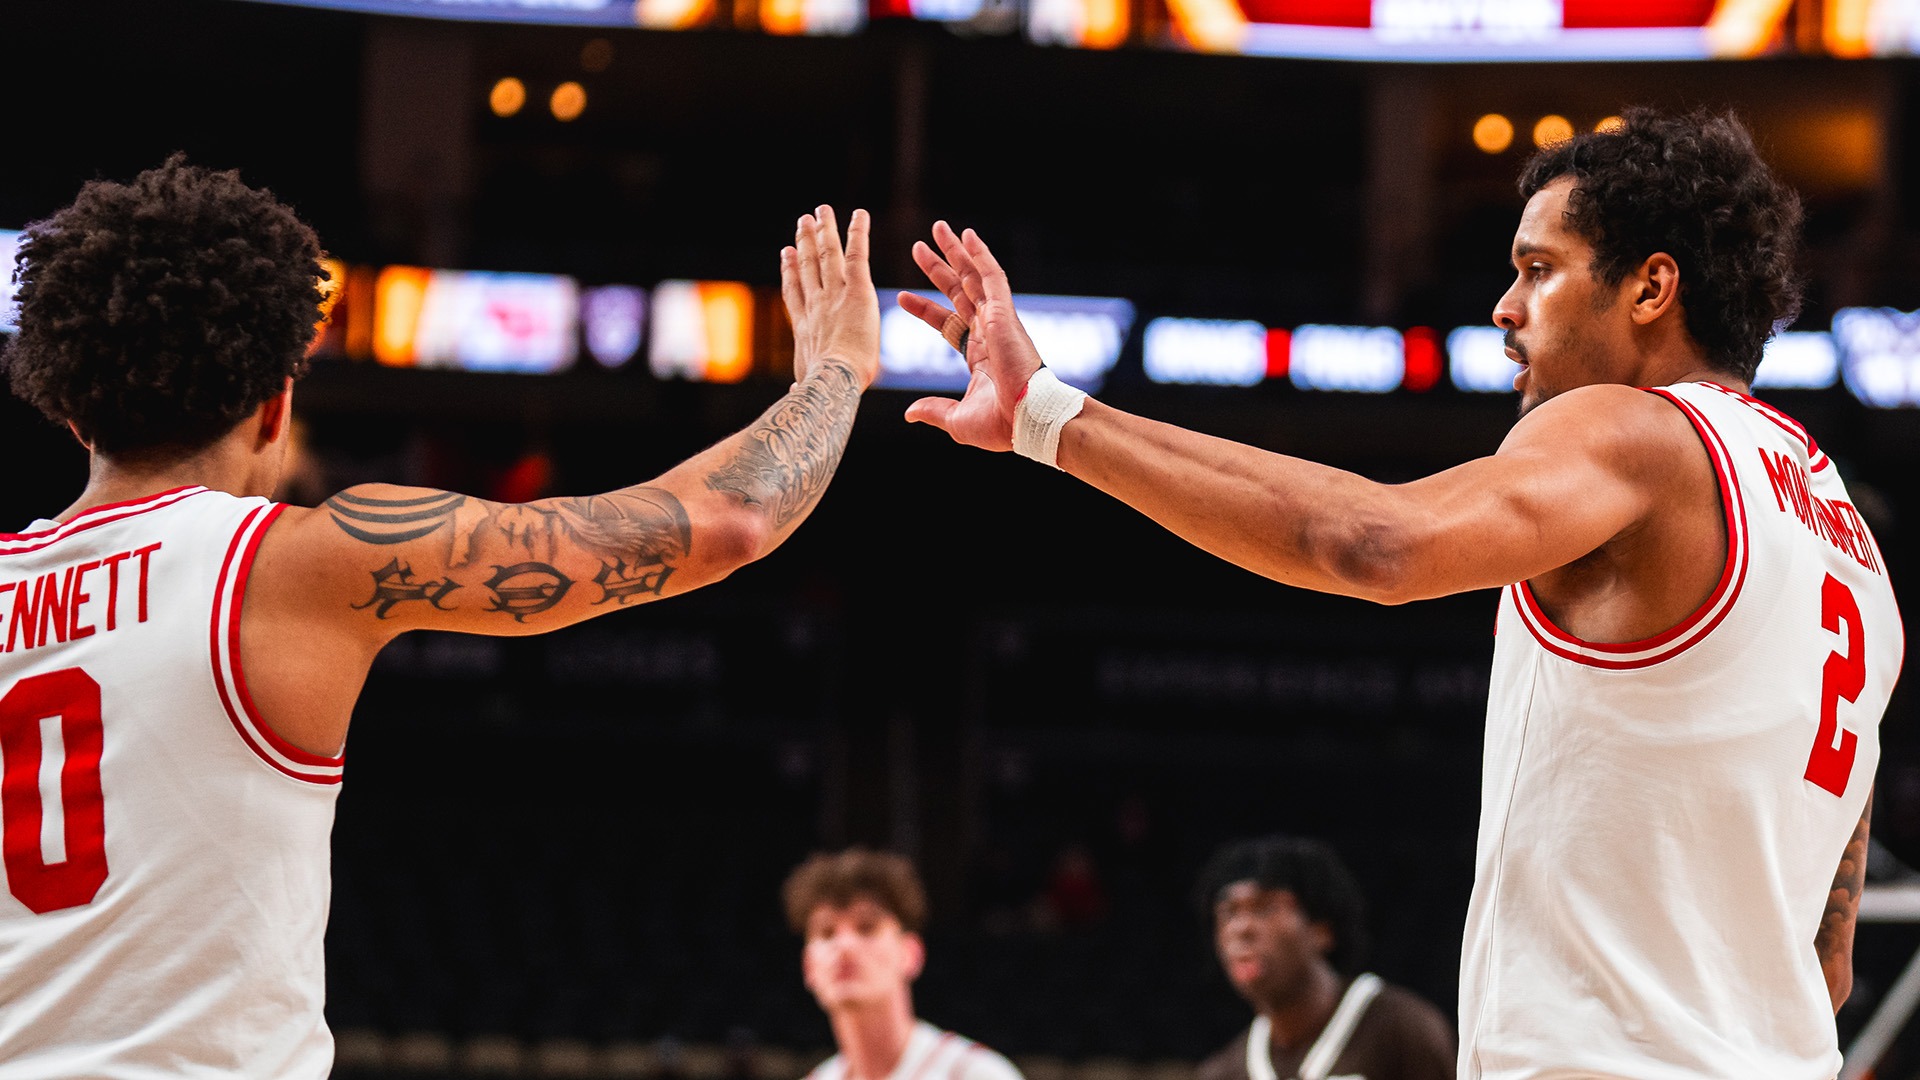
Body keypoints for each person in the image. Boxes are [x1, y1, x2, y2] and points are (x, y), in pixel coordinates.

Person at [898, 108, 1899, 1079]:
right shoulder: (1848, 542)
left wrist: (1048, 416)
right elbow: (1830, 954)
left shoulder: (1634, 434)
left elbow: (1375, 545)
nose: (1505, 309)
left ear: (1651, 288)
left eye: (1538, 271)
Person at [0, 156, 880, 1076]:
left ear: (74, 417)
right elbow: (727, 520)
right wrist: (838, 368)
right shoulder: (295, 562)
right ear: (276, 407)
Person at [1193, 836, 1454, 1080]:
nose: (1241, 929)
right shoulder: (1224, 1070)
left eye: (1266, 908)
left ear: (1321, 930)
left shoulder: (1403, 1030)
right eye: (1229, 913)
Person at [784, 848, 1024, 1080]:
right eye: (827, 933)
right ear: (808, 966)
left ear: (911, 953)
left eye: (866, 927)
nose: (845, 945)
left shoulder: (976, 1074)